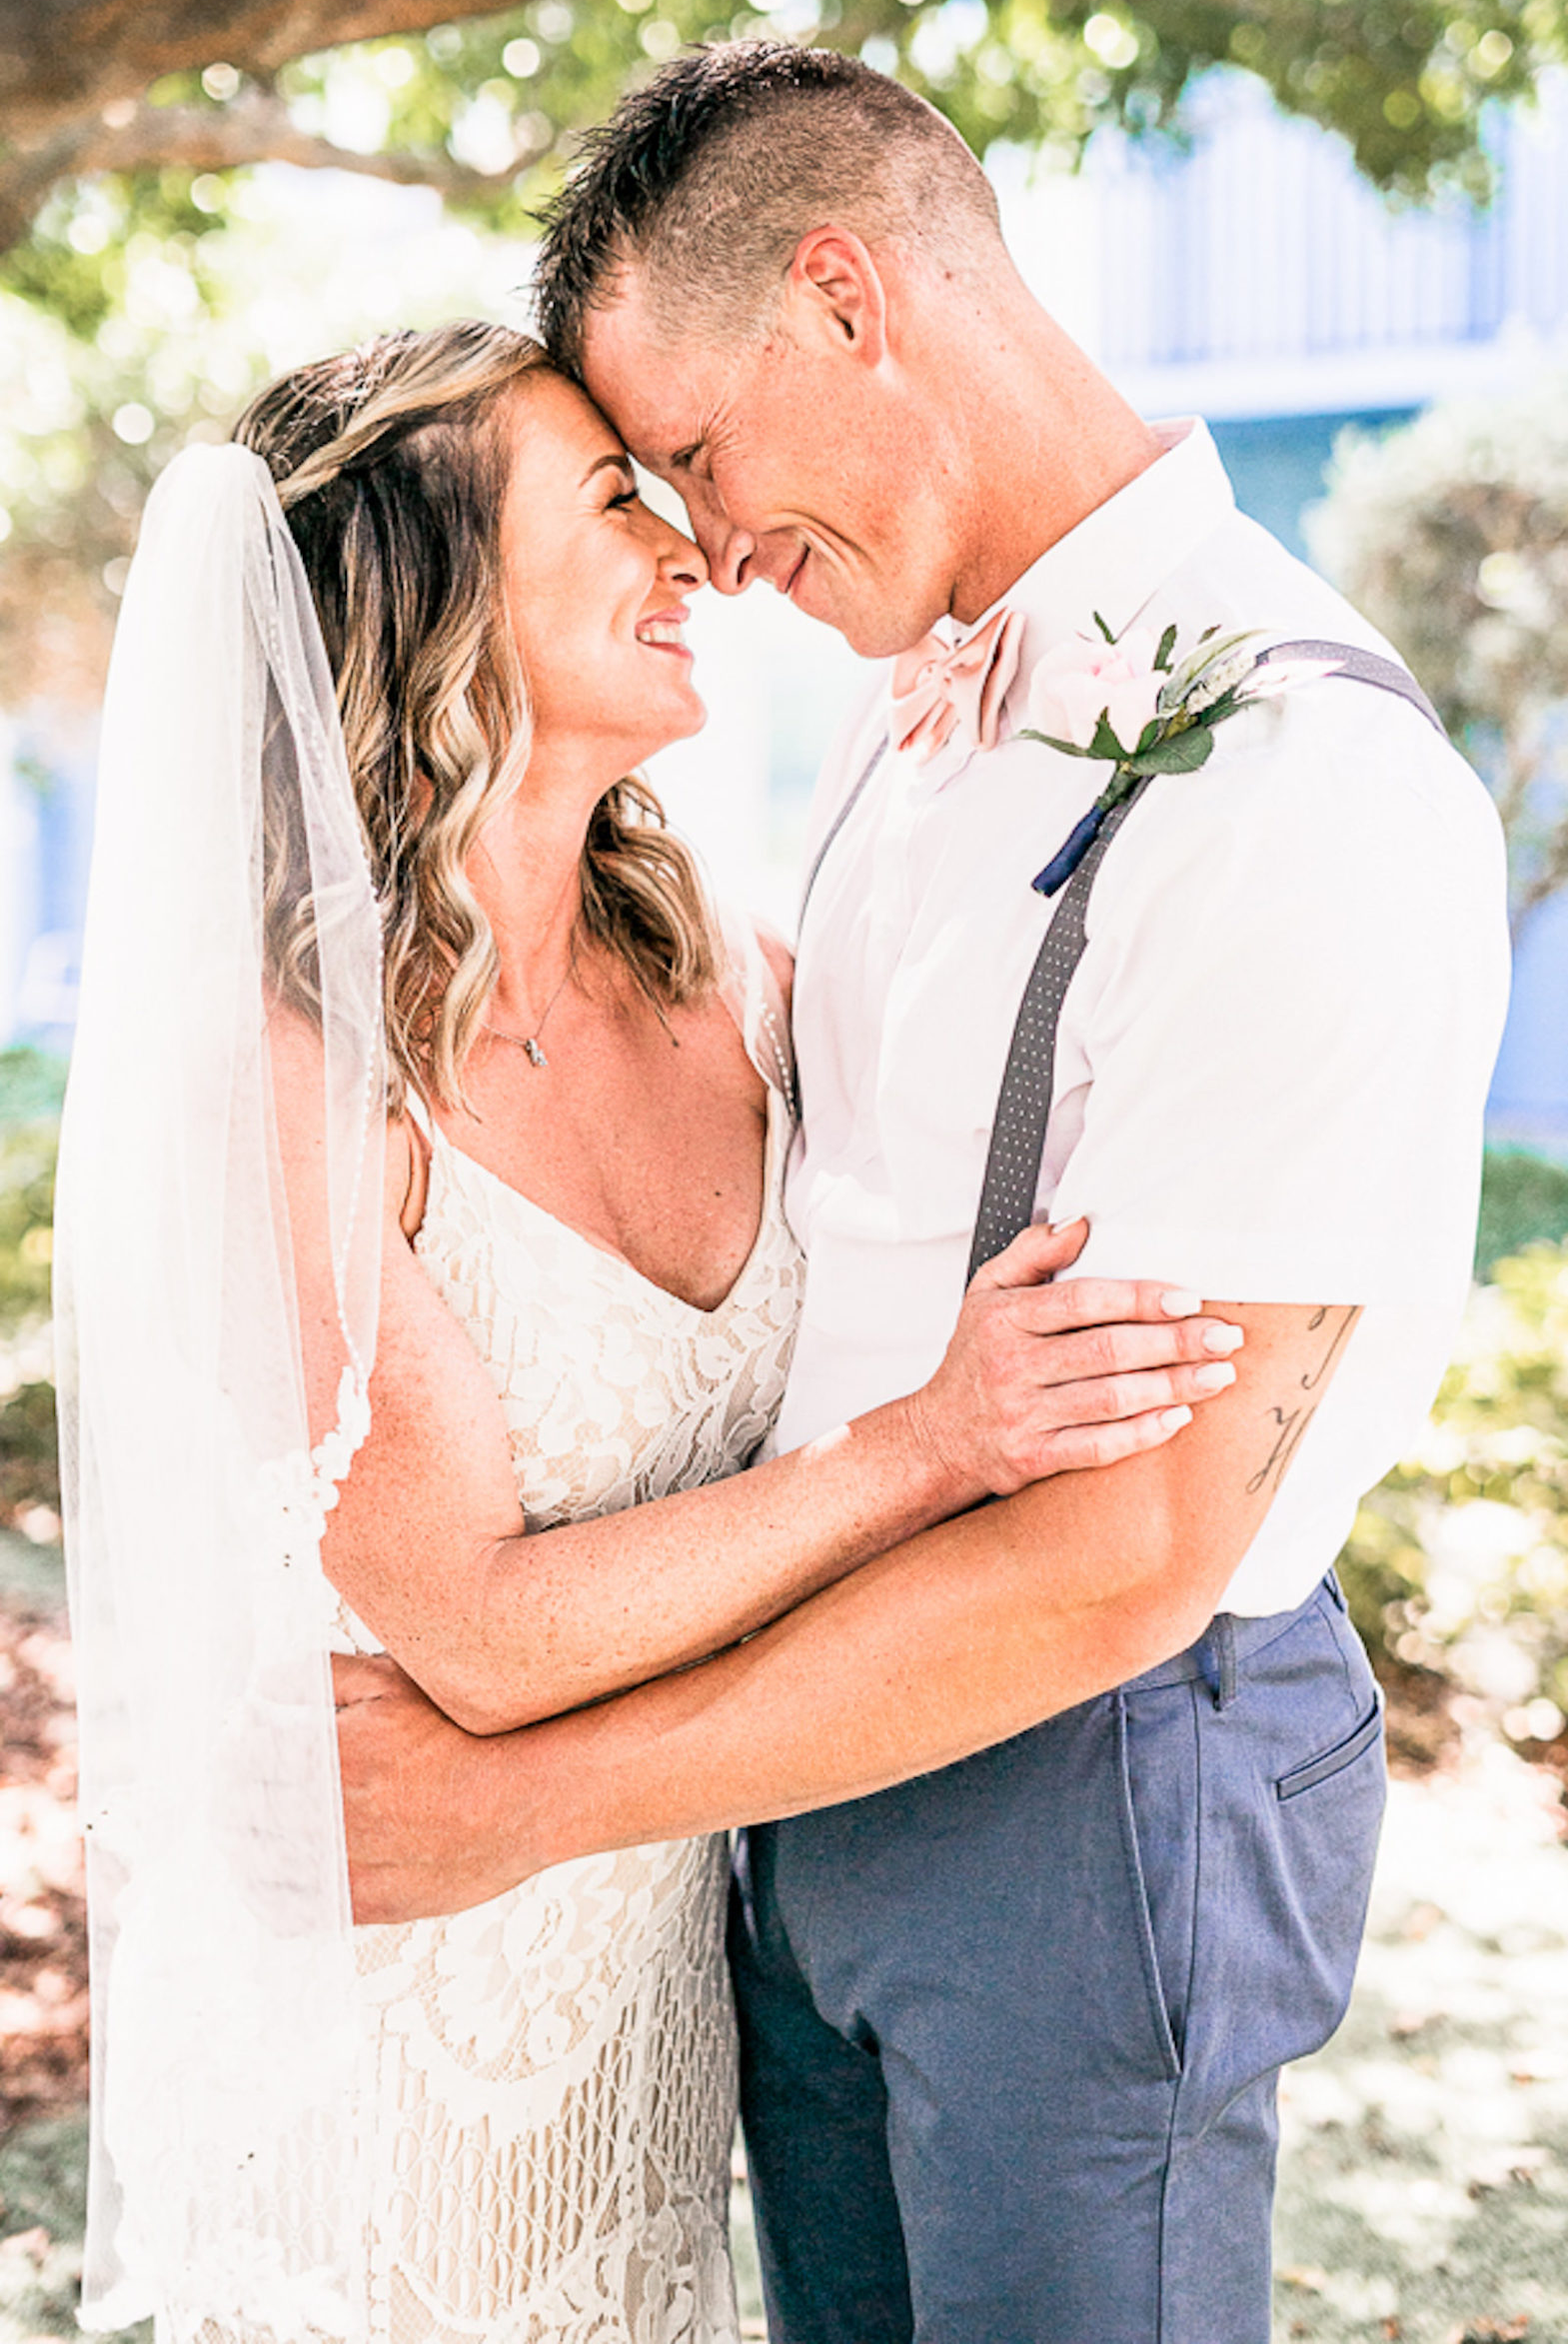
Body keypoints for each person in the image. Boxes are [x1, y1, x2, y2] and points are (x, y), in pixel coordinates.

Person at [333, 47, 1513, 2343]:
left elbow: (1122, 1552)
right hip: (787, 1815)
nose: (695, 539)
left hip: (1077, 1803)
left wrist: (527, 1801)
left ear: (848, 302)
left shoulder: (1307, 789)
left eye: (688, 453)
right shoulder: (898, 710)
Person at [58, 317, 1239, 2344]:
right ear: (427, 597)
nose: (689, 543)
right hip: (403, 2046)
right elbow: (481, 1629)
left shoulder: (729, 969)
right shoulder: (285, 1076)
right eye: (614, 496)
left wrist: (977, 742)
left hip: (671, 1995)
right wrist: (925, 1447)